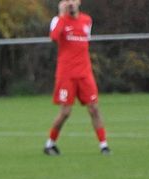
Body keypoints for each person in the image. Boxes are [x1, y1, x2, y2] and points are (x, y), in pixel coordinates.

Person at [43, 0, 110, 156]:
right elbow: (54, 37)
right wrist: (61, 15)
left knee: (94, 108)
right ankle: (50, 144)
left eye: (73, 0)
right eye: (68, 0)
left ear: (79, 2)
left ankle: (104, 146)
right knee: (65, 112)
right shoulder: (58, 20)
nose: (71, 3)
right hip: (66, 74)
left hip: (85, 73)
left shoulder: (87, 20)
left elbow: (85, 43)